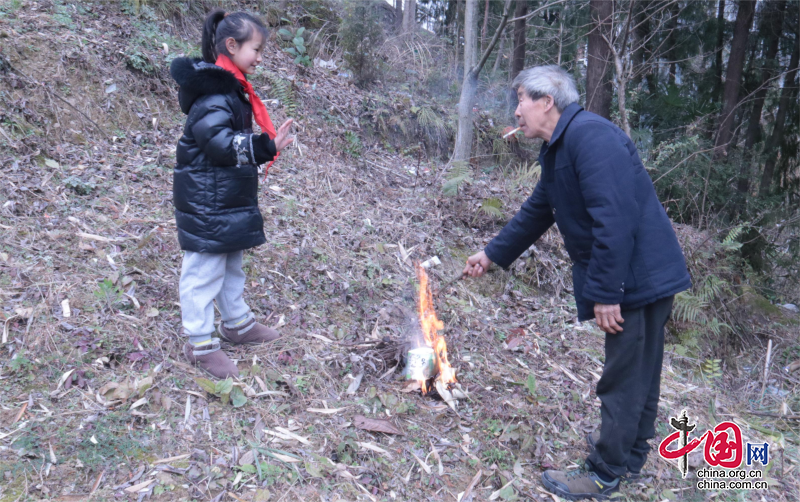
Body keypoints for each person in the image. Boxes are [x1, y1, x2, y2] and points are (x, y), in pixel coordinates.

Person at [463, 66, 691, 500]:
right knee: (638, 375)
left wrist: (608, 293)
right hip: (635, 278)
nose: (516, 110)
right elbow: (538, 210)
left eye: (522, 99)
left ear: (546, 102)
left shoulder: (592, 138)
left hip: (636, 279)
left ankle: (604, 474)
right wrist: (492, 255)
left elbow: (615, 220)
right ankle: (629, 459)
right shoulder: (560, 147)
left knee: (623, 379)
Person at [169, 9, 294, 379]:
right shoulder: (214, 95)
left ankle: (236, 324)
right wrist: (263, 146)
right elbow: (220, 145)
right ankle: (200, 342)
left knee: (229, 265)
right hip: (207, 200)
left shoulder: (232, 90)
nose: (259, 57)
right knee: (204, 270)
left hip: (225, 198)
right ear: (231, 45)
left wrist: (266, 145)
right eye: (255, 49)